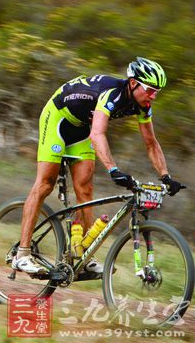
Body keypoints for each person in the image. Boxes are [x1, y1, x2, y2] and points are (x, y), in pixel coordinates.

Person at [12, 57, 182, 274]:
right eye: (150, 89)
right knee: (46, 184)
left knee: (86, 190)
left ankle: (81, 256)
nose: (153, 95)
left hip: (82, 128)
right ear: (133, 83)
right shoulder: (112, 94)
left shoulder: (142, 105)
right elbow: (98, 134)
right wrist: (113, 170)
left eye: (157, 91)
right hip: (58, 118)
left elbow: (151, 143)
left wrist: (165, 176)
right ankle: (22, 253)